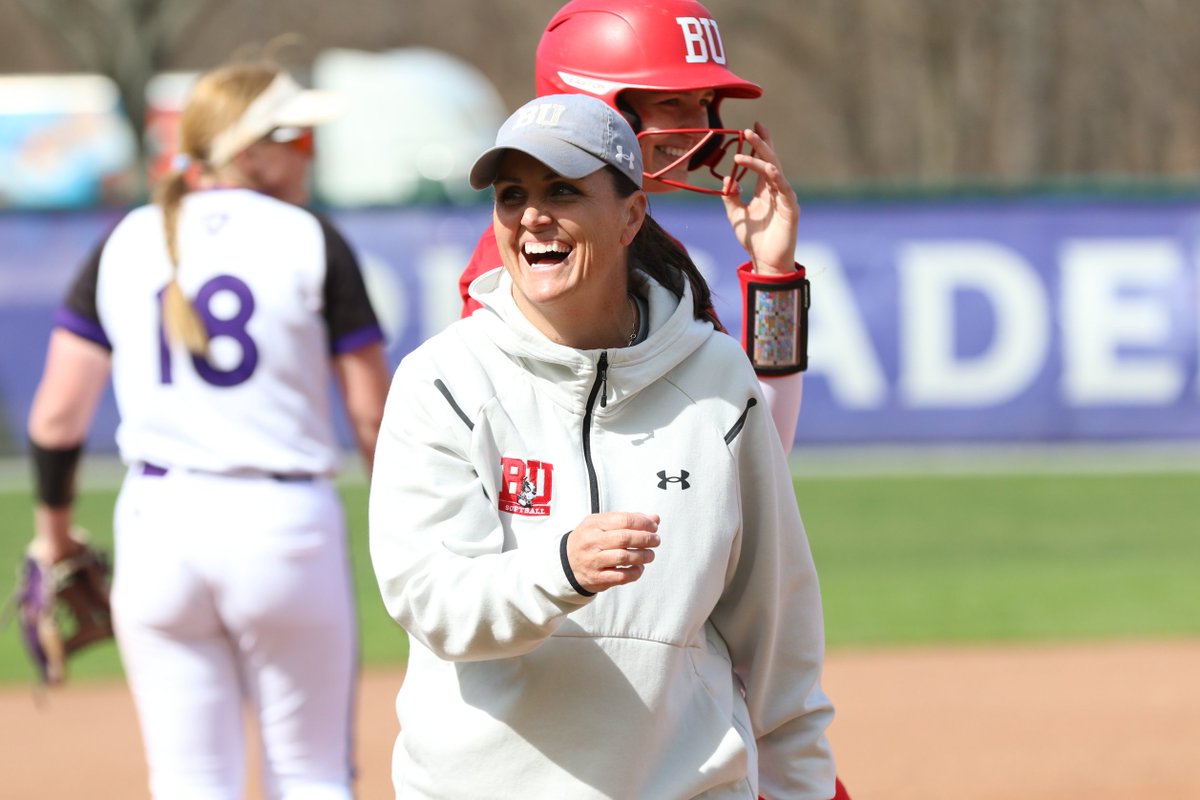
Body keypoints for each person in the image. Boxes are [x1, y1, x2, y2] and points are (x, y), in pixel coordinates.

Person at [369, 93, 840, 799]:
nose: (531, 215)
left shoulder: (713, 371)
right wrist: (559, 569)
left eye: (562, 189)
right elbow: (434, 602)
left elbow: (778, 633)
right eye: (511, 195)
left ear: (630, 217)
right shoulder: (441, 378)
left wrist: (774, 276)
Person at [24, 60, 390, 799]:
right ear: (253, 151)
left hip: (158, 524)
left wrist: (53, 533)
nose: (307, 154)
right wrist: (404, 522)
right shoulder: (312, 238)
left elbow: (57, 415)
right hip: (284, 527)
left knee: (190, 781)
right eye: (298, 138)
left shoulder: (126, 238)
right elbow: (372, 415)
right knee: (311, 774)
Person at [457, 0, 810, 451]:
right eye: (670, 102)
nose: (700, 126)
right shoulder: (527, 256)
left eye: (703, 102)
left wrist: (774, 273)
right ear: (597, 107)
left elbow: (758, 448)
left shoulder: (659, 253)